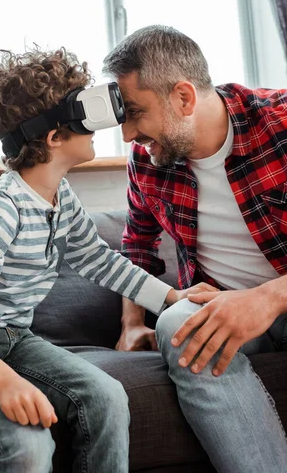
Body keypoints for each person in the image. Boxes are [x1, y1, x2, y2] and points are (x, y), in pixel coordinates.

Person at [0, 47, 213, 473]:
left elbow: (96, 259)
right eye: (83, 119)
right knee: (28, 447)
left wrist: (171, 296)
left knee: (107, 397)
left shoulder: (62, 196)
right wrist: (5, 381)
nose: (102, 129)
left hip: (12, 335)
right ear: (54, 138)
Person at [103, 24, 287, 473]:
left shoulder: (279, 123)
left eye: (134, 113)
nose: (128, 134)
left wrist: (267, 298)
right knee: (177, 323)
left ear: (184, 97)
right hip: (220, 304)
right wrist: (131, 323)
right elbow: (137, 249)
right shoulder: (147, 164)